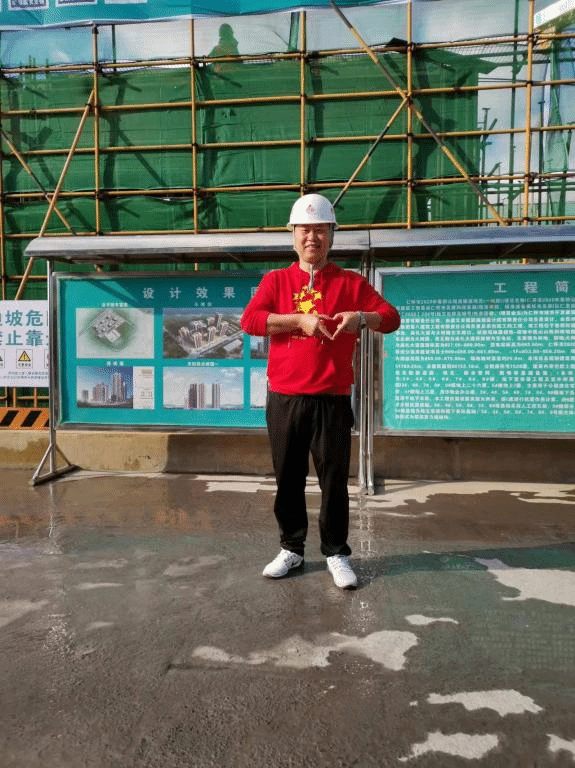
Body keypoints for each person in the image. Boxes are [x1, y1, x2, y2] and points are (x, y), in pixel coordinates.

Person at [240, 194, 400, 589]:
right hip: (285, 398)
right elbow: (250, 321)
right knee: (288, 478)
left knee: (334, 480)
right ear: (293, 235)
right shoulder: (276, 281)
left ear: (331, 235)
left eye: (321, 230)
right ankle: (291, 547)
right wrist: (298, 321)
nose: (312, 237)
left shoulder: (350, 283)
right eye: (305, 230)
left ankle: (336, 552)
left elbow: (391, 318)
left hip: (331, 398)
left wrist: (361, 317)